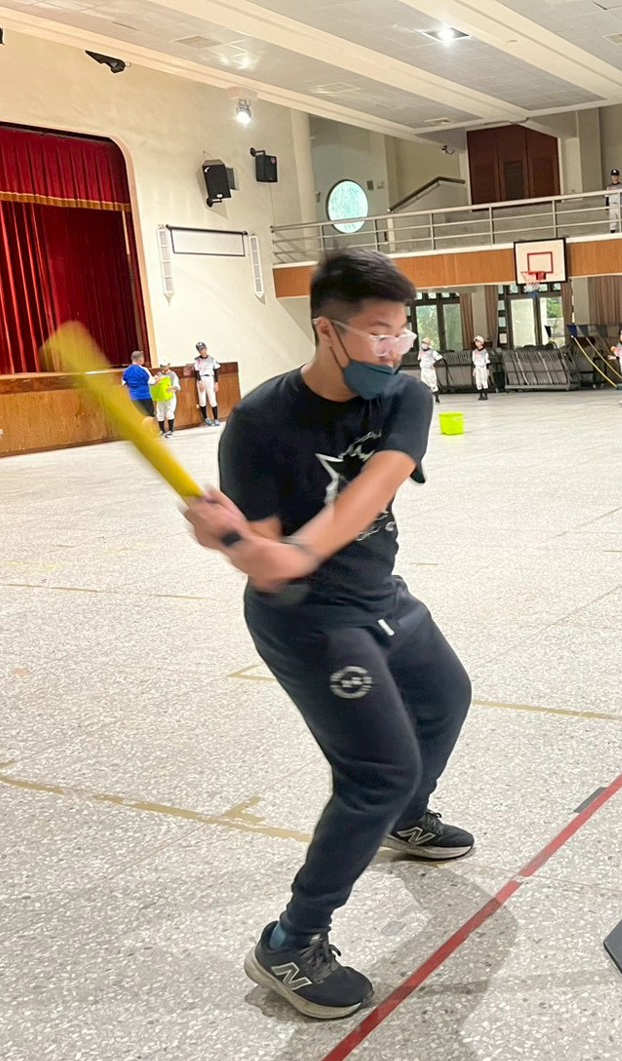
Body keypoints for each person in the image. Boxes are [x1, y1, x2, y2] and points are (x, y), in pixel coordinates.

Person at [181, 250, 474, 1021]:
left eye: (401, 332)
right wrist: (233, 542)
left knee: (446, 698)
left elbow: (370, 493)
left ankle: (406, 818)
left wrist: (292, 549)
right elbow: (267, 560)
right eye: (377, 332)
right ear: (326, 330)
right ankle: (291, 942)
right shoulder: (259, 424)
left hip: (377, 592)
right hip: (307, 619)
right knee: (377, 770)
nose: (393, 348)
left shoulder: (406, 395)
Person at [193, 341, 223, 425]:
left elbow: (216, 370)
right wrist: (200, 381)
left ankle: (216, 418)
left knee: (212, 399)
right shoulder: (197, 360)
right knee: (202, 400)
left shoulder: (212, 359)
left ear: (206, 349)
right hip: (201, 379)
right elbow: (196, 371)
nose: (202, 351)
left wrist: (216, 382)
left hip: (210, 378)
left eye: (203, 349)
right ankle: (206, 418)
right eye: (200, 350)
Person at [151, 358, 182, 437]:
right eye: (162, 366)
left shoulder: (172, 375)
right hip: (160, 397)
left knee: (169, 413)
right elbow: (153, 383)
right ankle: (162, 430)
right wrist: (156, 381)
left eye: (164, 366)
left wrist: (172, 388)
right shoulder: (158, 374)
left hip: (170, 396)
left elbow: (177, 386)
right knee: (159, 414)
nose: (163, 368)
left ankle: (171, 430)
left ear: (168, 365)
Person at [122, 349, 155, 417]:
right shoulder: (143, 370)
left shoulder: (126, 371)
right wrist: (158, 379)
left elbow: (124, 384)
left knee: (140, 417)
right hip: (145, 396)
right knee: (150, 416)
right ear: (140, 359)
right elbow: (152, 382)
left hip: (134, 397)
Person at [417, 337, 442, 403]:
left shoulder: (432, 352)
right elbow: (419, 359)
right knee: (424, 384)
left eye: (425, 343)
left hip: (430, 370)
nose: (423, 344)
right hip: (423, 370)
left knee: (433, 384)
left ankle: (437, 398)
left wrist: (433, 365)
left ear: (428, 344)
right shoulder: (421, 351)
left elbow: (439, 359)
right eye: (423, 343)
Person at [605, 168, 622, 233]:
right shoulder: (609, 187)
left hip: (619, 204)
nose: (615, 177)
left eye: (616, 175)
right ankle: (612, 234)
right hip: (612, 205)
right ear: (611, 176)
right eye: (613, 176)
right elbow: (607, 197)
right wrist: (607, 207)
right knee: (612, 222)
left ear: (618, 176)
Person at [471, 335, 491, 401]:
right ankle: (480, 395)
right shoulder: (474, 352)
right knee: (478, 381)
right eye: (476, 342)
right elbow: (473, 361)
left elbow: (487, 360)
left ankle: (485, 395)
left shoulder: (485, 351)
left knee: (484, 380)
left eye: (478, 342)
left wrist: (487, 369)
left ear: (482, 342)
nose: (477, 343)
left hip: (483, 367)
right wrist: (474, 369)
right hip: (477, 367)